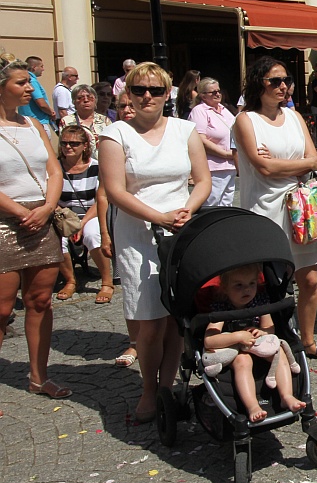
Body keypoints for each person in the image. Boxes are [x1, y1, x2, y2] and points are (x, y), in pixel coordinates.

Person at [98, 62, 211, 422]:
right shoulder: (116, 133)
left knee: (176, 317)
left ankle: (168, 384)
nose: (148, 96)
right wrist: (156, 216)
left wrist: (187, 210)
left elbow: (202, 179)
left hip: (179, 228)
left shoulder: (184, 130)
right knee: (150, 322)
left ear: (168, 94)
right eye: (140, 90)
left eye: (156, 90)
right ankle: (150, 389)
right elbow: (114, 190)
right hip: (138, 234)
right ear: (128, 94)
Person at [234, 57, 317, 361]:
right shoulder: (246, 120)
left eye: (286, 80)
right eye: (274, 81)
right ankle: (275, 342)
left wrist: (284, 165)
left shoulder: (295, 117)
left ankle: (309, 341)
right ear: (257, 84)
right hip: (264, 208)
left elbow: (315, 159)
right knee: (270, 283)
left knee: (310, 279)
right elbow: (263, 168)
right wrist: (294, 164)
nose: (282, 86)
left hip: (300, 208)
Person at [0, 62, 71, 413]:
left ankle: (38, 376)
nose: (30, 88)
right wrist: (18, 212)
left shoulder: (32, 124)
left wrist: (47, 207)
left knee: (40, 300)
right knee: (1, 308)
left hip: (40, 217)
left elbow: (53, 168)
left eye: (29, 82)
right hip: (4, 222)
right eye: (22, 82)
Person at [203, 263, 306, 422]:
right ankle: (252, 406)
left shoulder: (259, 302)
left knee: (279, 352)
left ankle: (287, 395)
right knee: (242, 361)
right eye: (239, 285)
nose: (247, 290)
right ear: (225, 288)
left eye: (252, 284)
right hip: (235, 349)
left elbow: (269, 328)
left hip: (257, 345)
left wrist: (263, 332)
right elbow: (210, 340)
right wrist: (237, 336)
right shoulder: (222, 309)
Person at [54, 125, 114, 303]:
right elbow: (50, 197)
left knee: (92, 234)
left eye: (74, 143)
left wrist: (81, 223)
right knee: (57, 239)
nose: (68, 147)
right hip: (63, 214)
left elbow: (100, 199)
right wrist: (66, 219)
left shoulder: (96, 167)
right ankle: (70, 280)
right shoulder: (55, 167)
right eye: (64, 143)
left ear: (85, 145)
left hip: (91, 213)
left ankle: (107, 282)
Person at [103, 91, 141, 368]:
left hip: (161, 214)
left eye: (131, 104)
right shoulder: (112, 136)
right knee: (130, 281)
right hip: (124, 213)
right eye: (122, 105)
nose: (128, 109)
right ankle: (135, 341)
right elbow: (104, 191)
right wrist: (105, 232)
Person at [189, 78, 237, 207]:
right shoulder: (199, 111)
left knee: (227, 204)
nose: (217, 94)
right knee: (211, 203)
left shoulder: (224, 109)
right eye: (213, 92)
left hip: (230, 166)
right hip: (213, 167)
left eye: (218, 91)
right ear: (203, 95)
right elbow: (199, 140)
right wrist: (225, 154)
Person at [60, 84, 112, 158]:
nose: (86, 100)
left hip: (101, 162)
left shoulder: (105, 121)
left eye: (90, 97)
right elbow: (62, 146)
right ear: (74, 102)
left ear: (95, 101)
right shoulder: (66, 121)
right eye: (80, 98)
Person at [19, 56, 56, 134]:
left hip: (26, 121)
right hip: (38, 122)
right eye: (41, 66)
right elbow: (41, 103)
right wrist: (51, 112)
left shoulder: (25, 79)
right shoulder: (32, 80)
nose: (43, 69)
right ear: (34, 67)